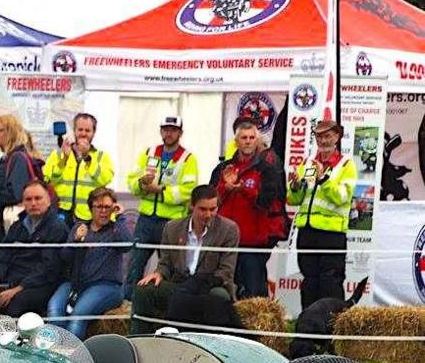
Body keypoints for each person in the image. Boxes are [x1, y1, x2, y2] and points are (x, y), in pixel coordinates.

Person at [131, 184, 239, 334]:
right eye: (203, 209)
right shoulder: (172, 227)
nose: (208, 214)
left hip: (209, 287)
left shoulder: (229, 229)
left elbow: (225, 273)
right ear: (191, 206)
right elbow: (165, 263)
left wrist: (194, 285)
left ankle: (214, 349)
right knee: (144, 290)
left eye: (213, 209)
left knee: (219, 296)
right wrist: (159, 273)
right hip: (179, 286)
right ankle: (141, 340)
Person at [210, 117, 285, 298]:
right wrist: (224, 188)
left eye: (252, 138)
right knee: (226, 289)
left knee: (254, 292)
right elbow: (210, 200)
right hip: (227, 241)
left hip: (254, 242)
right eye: (244, 138)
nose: (248, 141)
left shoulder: (267, 169)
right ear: (236, 141)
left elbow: (266, 202)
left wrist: (243, 190)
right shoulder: (222, 169)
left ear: (257, 140)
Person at [124, 115, 198, 297]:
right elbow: (131, 182)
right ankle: (127, 304)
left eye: (173, 130)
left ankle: (167, 304)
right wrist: (142, 182)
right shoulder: (149, 152)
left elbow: (188, 190)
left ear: (180, 133)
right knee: (135, 264)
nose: (169, 133)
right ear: (160, 131)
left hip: (172, 223)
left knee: (171, 267)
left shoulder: (188, 158)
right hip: (146, 219)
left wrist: (161, 190)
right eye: (166, 129)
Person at [287, 120, 357, 308]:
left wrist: (323, 179)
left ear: (337, 137)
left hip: (332, 233)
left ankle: (331, 328)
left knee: (330, 284)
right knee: (310, 282)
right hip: (308, 232)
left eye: (327, 136)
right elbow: (297, 199)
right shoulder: (311, 163)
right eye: (319, 136)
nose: (323, 140)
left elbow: (342, 197)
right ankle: (308, 326)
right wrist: (295, 187)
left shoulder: (346, 164)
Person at [48, 187, 131, 339]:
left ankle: (71, 357)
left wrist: (120, 217)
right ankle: (54, 353)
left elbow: (127, 245)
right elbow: (65, 257)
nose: (103, 211)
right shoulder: (79, 227)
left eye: (107, 207)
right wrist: (75, 241)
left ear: (113, 208)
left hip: (107, 286)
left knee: (78, 315)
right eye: (99, 207)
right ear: (91, 208)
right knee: (54, 309)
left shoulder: (116, 229)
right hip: (76, 284)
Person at [0, 181, 68, 317]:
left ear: (48, 201)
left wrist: (18, 289)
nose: (33, 203)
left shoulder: (57, 228)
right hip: (11, 282)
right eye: (28, 199)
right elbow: (2, 256)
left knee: (15, 304)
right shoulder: (17, 227)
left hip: (40, 285)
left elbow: (48, 268)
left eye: (38, 198)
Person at [45, 112, 114, 226]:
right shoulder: (59, 153)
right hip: (61, 213)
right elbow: (49, 179)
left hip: (89, 216)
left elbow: (105, 179)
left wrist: (87, 158)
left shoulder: (102, 156)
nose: (83, 134)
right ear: (74, 130)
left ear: (94, 133)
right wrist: (64, 159)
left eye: (87, 131)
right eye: (80, 129)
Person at [0, 114, 43, 233]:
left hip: (13, 224)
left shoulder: (18, 158)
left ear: (10, 132)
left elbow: (17, 193)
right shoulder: (10, 158)